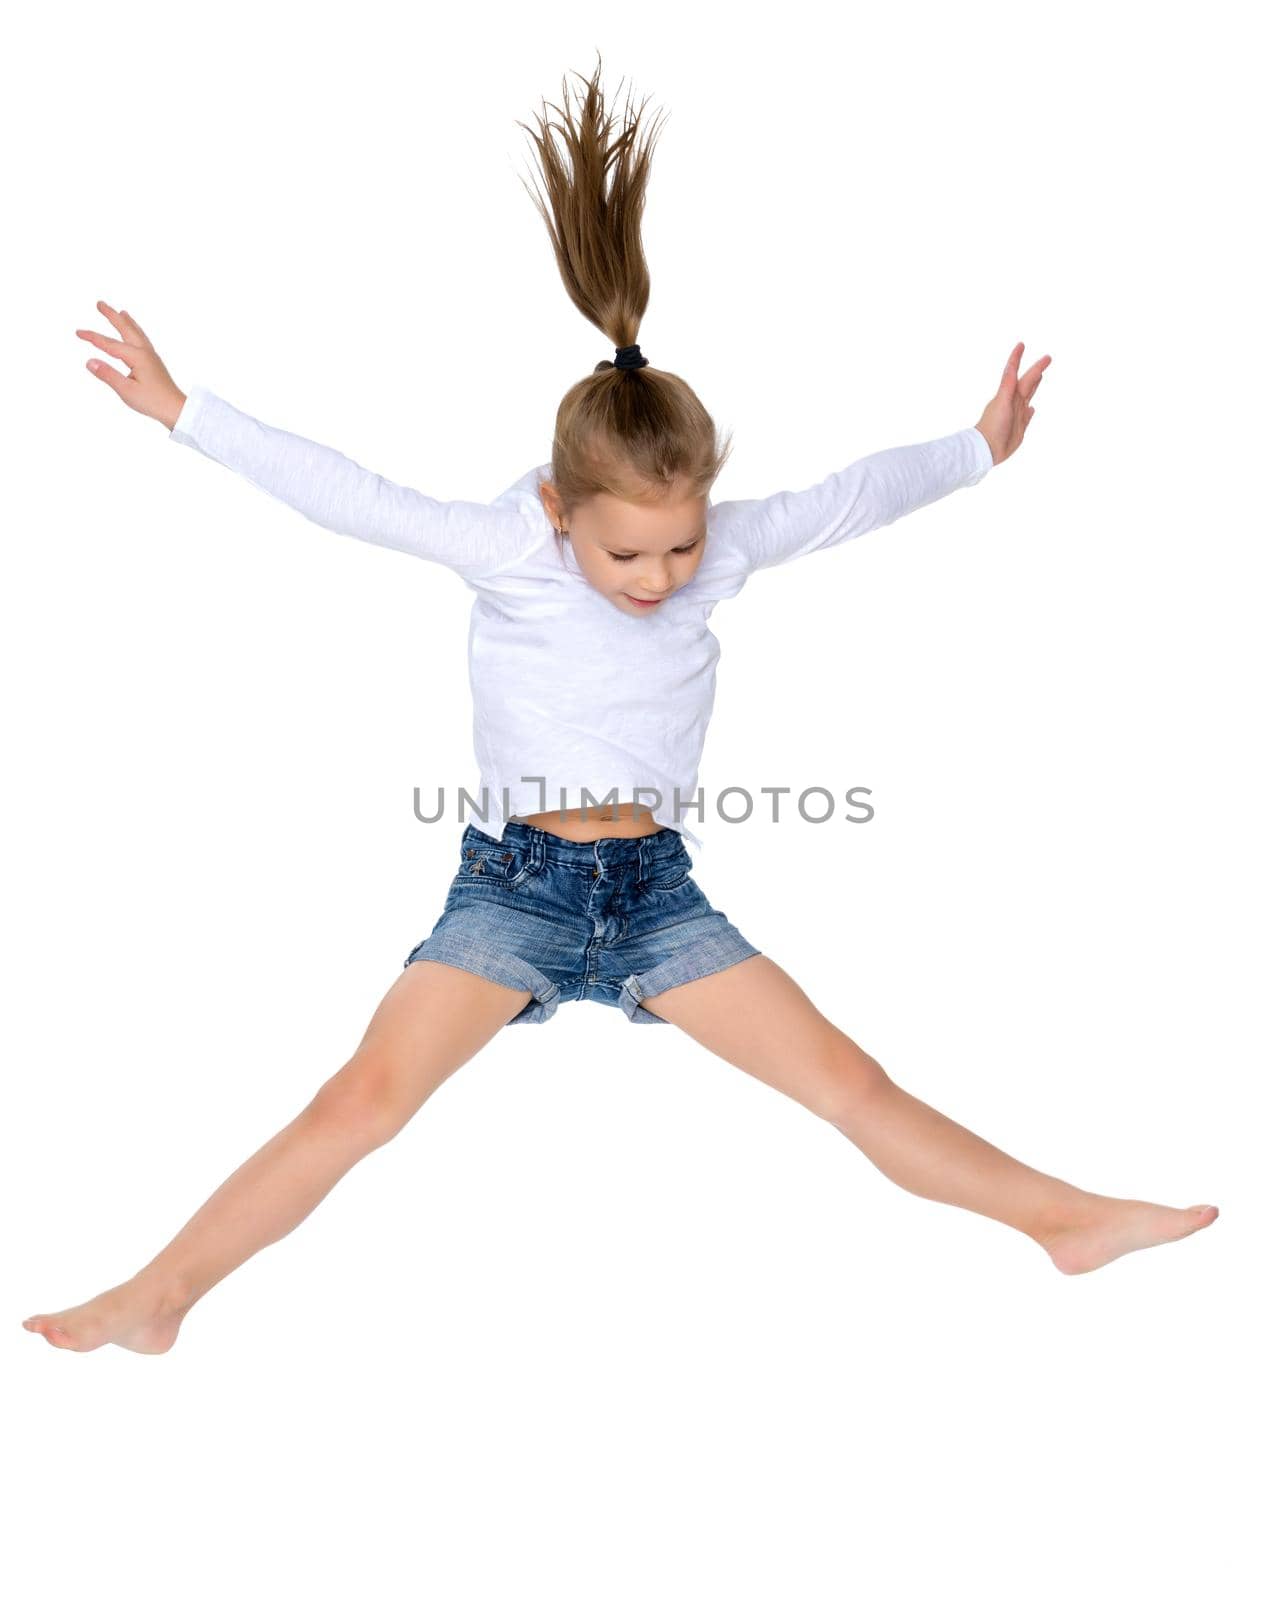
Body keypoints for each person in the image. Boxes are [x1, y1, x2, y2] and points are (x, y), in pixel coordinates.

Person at [25, 55, 1215, 1355]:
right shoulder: (506, 546)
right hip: (512, 894)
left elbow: (854, 496)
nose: (658, 580)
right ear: (559, 511)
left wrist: (978, 447)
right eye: (626, 555)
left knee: (850, 1085)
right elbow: (348, 492)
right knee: (359, 1102)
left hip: (657, 898)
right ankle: (159, 1297)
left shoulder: (723, 557)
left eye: (681, 548)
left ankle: (1065, 1224)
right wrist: (186, 411)